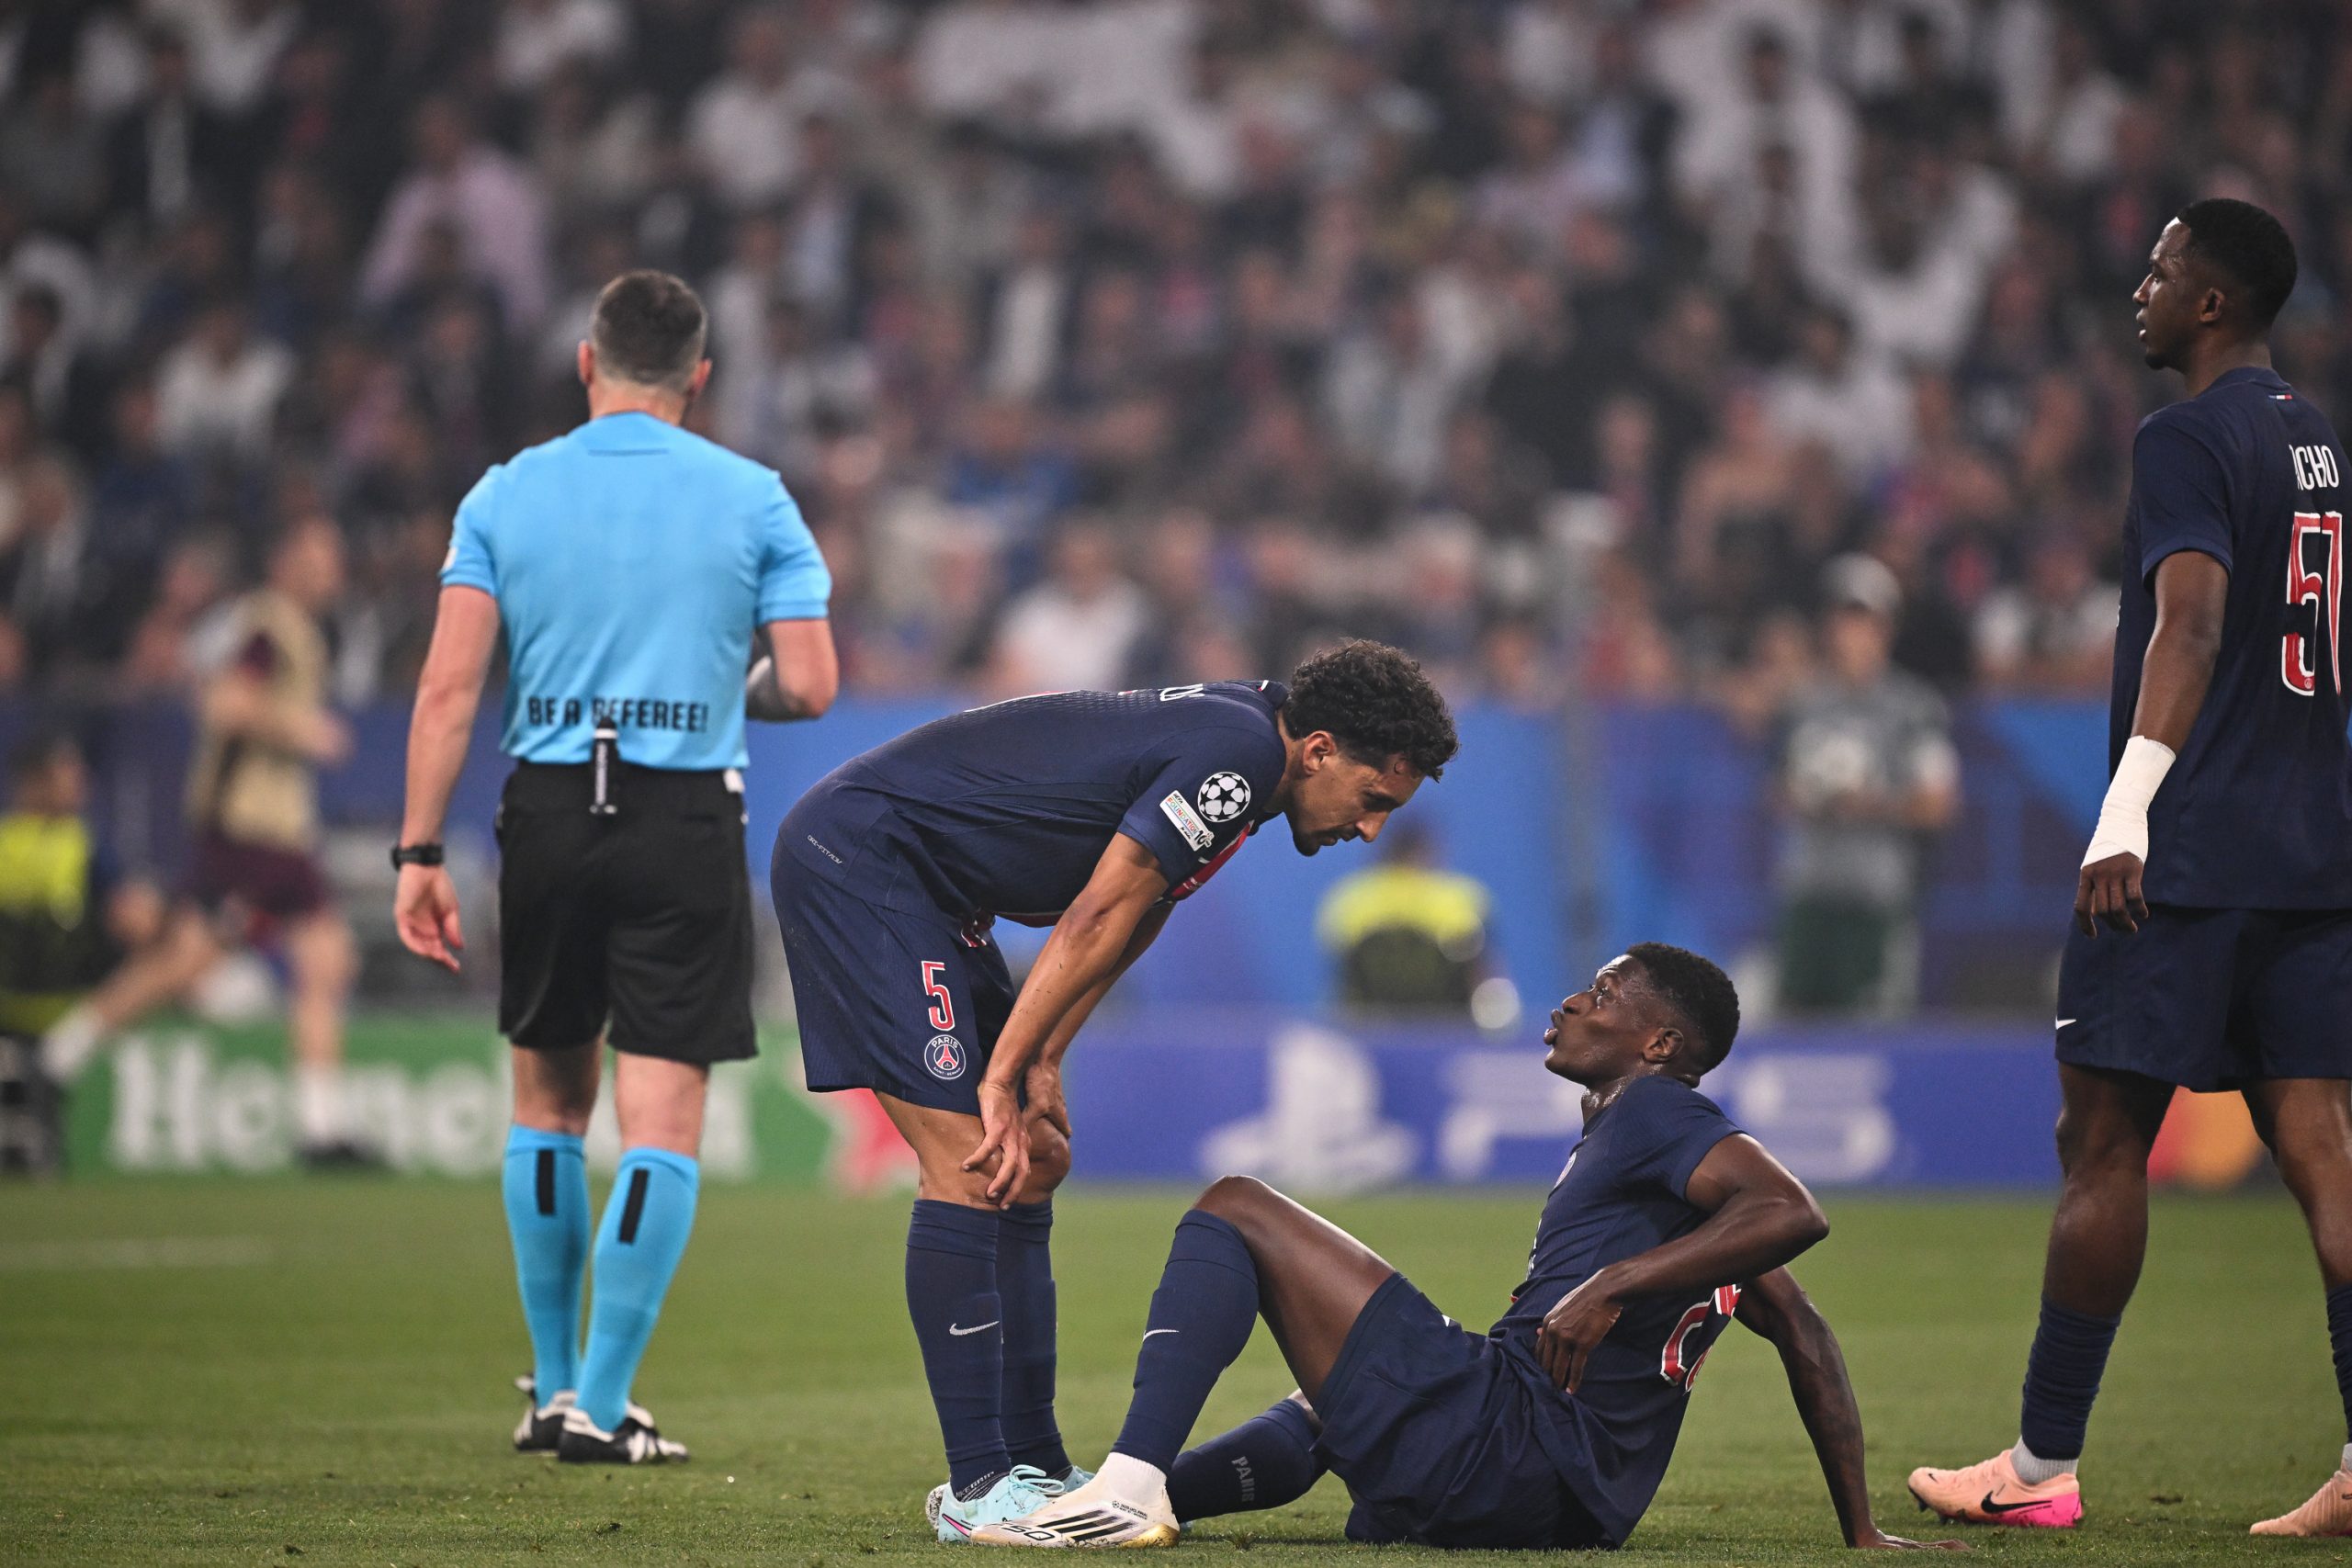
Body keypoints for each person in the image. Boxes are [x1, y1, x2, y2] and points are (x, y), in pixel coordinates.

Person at [770, 639, 1456, 1539]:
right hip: (865, 862)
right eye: (1372, 802)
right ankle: (979, 1489)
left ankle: (1041, 1466)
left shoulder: (1249, 752)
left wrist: (1044, 1057)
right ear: (1321, 749)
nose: (1368, 831)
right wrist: (1007, 1070)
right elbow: (1096, 909)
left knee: (1033, 1160)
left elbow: (1139, 912)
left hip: (932, 893)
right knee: (972, 1160)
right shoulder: (1241, 754)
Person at [976, 944, 1955, 1552]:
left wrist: (1612, 1283)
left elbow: (1794, 1209)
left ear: (1659, 1044)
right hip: (1570, 1509)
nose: (1572, 1001)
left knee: (1235, 1208)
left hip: (1511, 1448)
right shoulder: (1673, 1177)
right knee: (1328, 1401)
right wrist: (1859, 1533)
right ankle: (1103, 1505)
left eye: (1605, 993)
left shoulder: (1660, 1113)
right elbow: (1806, 1334)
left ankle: (1127, 1489)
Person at [1909, 199, 2352, 1536]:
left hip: (2186, 848)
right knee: (2327, 1148)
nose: (2143, 291)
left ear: (2212, 302)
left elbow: (2195, 617)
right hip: (2314, 844)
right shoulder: (2319, 437)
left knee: (2100, 1141)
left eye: (2163, 272)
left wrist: (2126, 806)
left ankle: (2041, 1468)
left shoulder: (2185, 436)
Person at [393, 270, 836, 1465]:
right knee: (663, 1120)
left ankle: (550, 1391)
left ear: (587, 364)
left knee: (545, 1106)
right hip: (681, 814)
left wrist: (419, 850)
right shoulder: (754, 498)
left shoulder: (505, 492)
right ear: (700, 377)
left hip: (542, 808)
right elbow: (810, 680)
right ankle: (603, 1395)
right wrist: (725, 692)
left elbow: (446, 688)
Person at [35, 516, 371, 1168]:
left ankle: (321, 1126)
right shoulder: (269, 626)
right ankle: (51, 1059)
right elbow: (226, 706)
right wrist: (306, 730)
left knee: (319, 958)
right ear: (288, 560)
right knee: (189, 964)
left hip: (275, 833)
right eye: (321, 553)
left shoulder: (284, 627)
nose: (334, 567)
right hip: (249, 833)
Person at [1773, 554, 1960, 1015]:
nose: (1852, 633)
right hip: (1810, 893)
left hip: (1874, 900)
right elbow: (1777, 790)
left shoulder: (1914, 708)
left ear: (1886, 628)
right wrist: (1806, 796)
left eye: (1864, 620)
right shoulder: (1804, 703)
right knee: (1797, 1026)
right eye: (1843, 620)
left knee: (1873, 1029)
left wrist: (1869, 805)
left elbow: (1938, 805)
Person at [0, 732, 164, 1172]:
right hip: (65, 1010)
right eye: (67, 771)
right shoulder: (79, 844)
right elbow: (136, 920)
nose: (80, 781)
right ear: (34, 783)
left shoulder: (4, 842)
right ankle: (58, 1062)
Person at [1313, 818, 1496, 1015]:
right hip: (1444, 1024)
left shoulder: (1348, 898)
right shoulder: (1461, 897)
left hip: (1370, 1024)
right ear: (1426, 851)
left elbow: (1341, 970)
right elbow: (1478, 971)